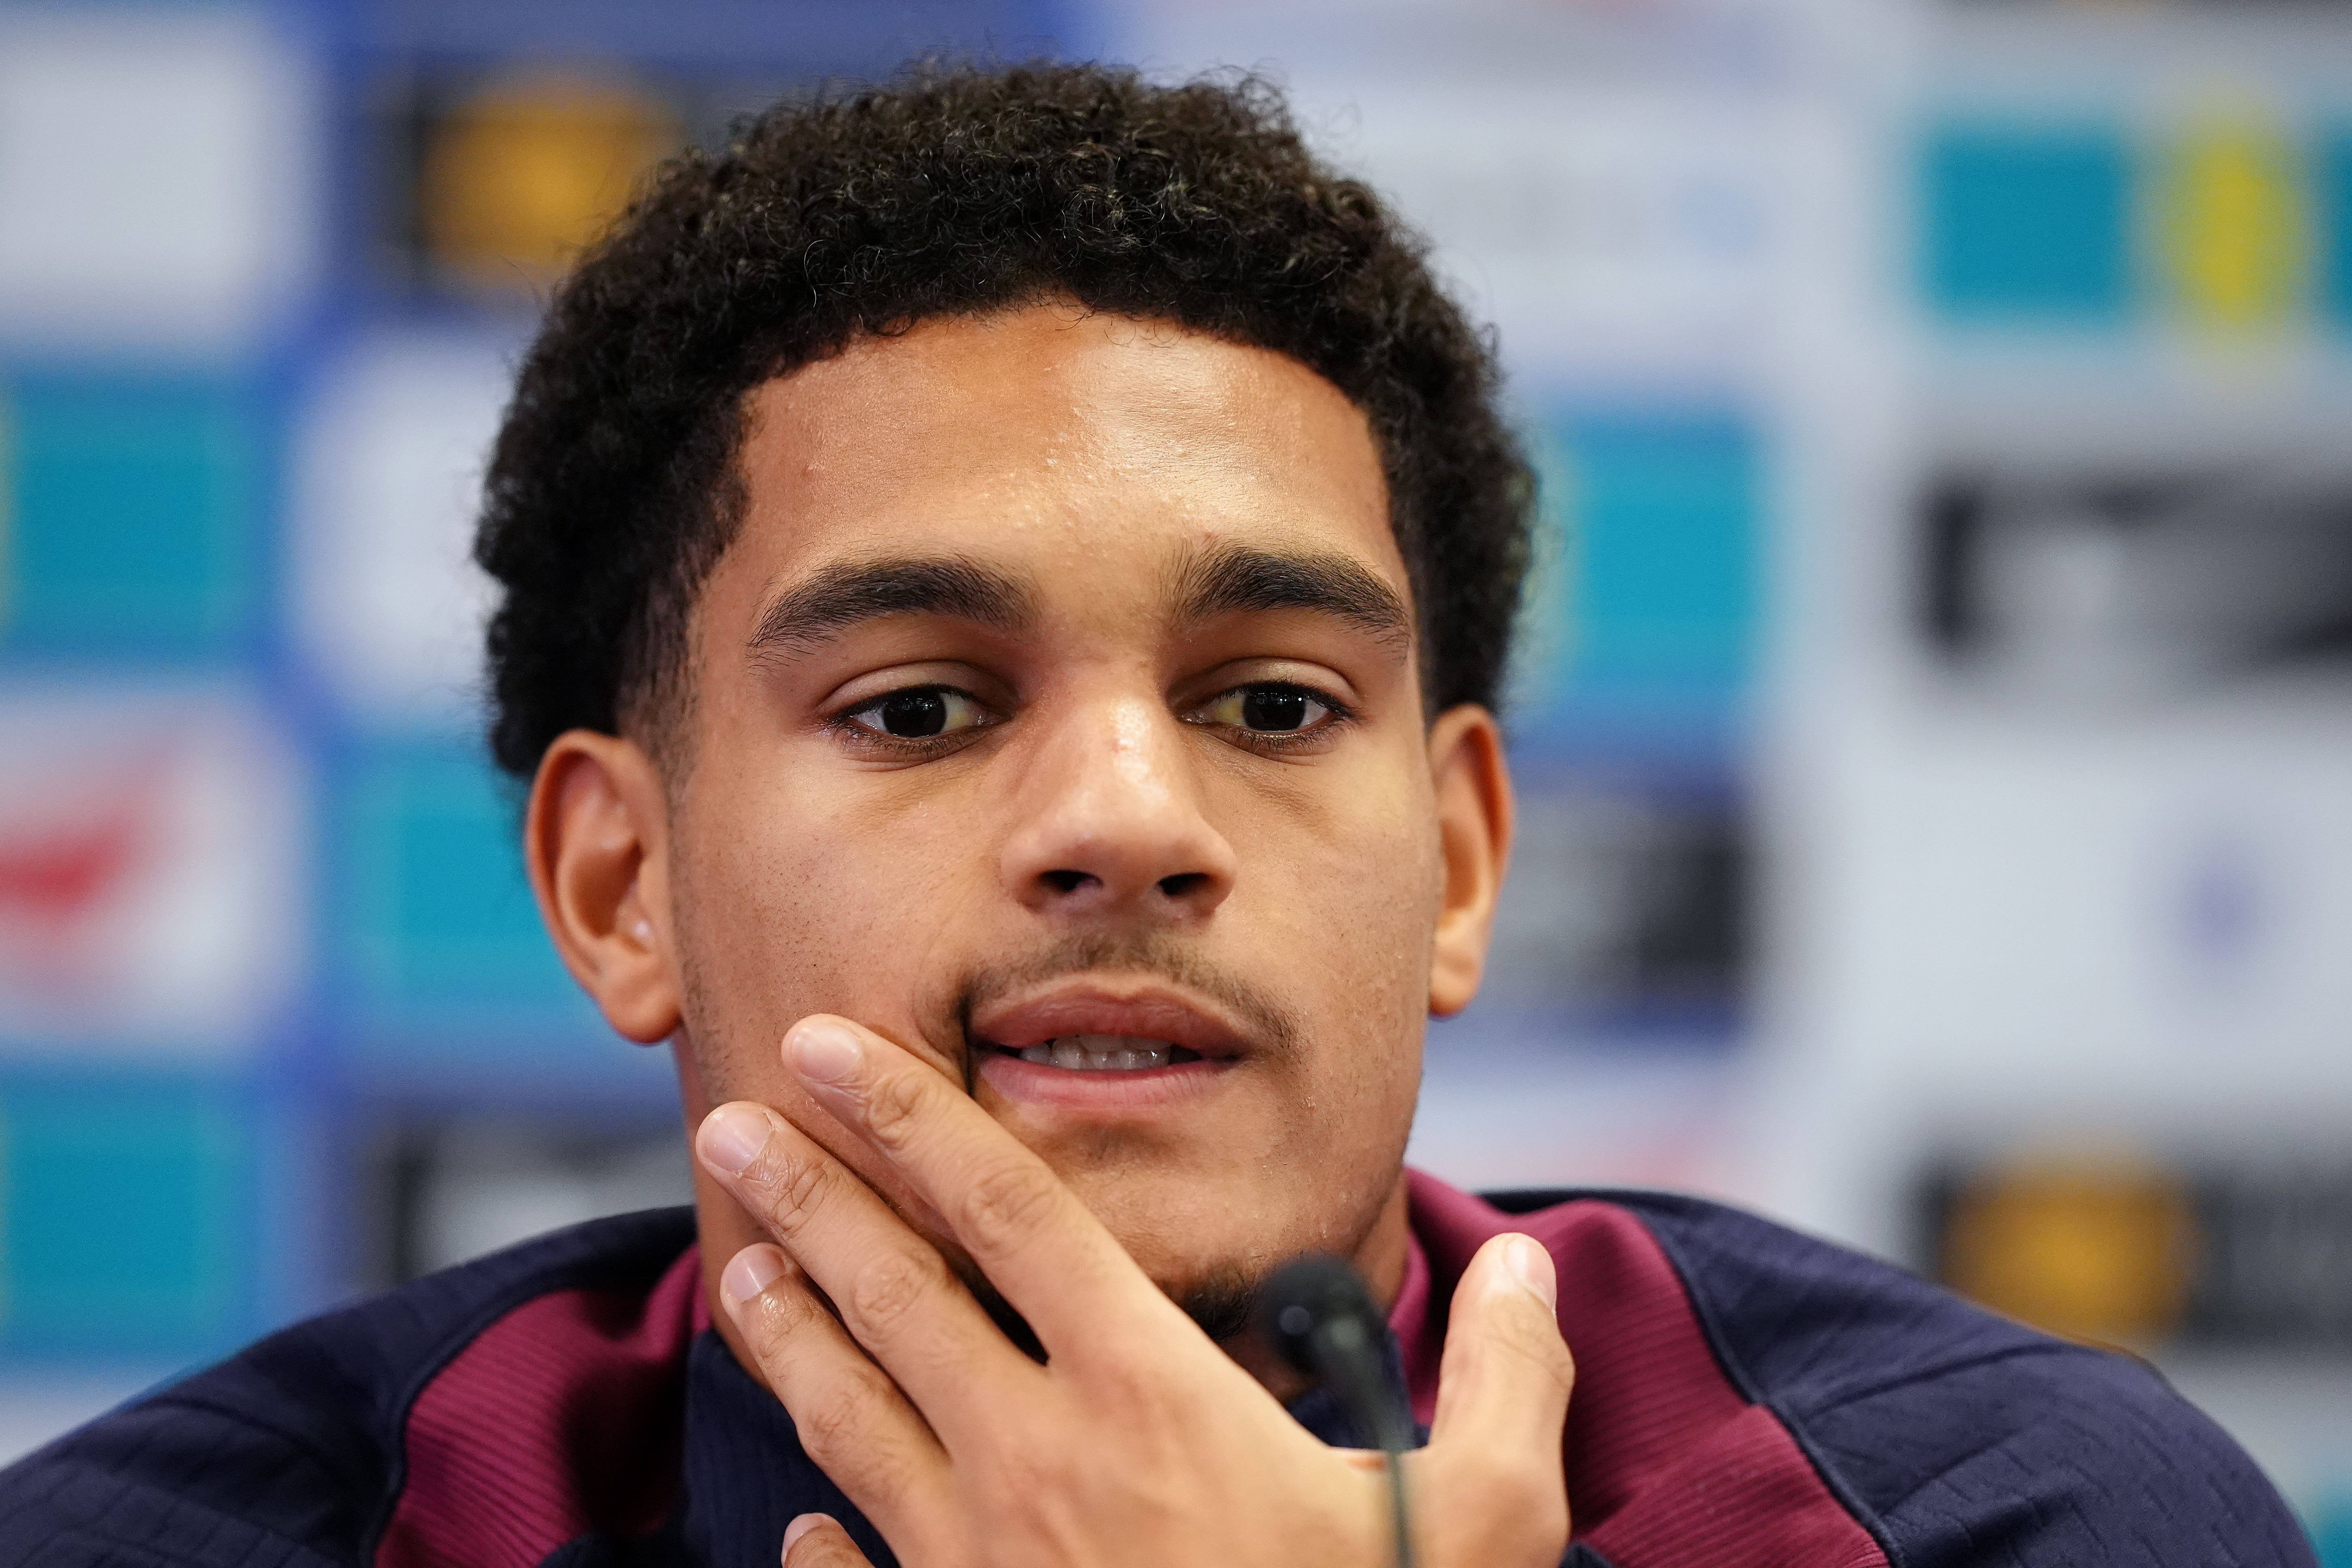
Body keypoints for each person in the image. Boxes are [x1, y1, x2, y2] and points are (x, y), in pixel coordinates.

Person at [0, 62, 2310, 1568]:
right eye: (920, 707)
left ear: (1461, 861)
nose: (1126, 819)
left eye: (1274, 704)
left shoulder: (2009, 1523)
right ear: (625, 885)